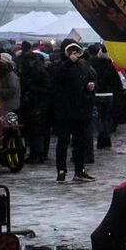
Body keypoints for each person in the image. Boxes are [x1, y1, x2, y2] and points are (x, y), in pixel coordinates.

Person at [51, 41, 96, 183]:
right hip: (64, 111)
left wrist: (91, 87)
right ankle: (61, 170)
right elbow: (56, 80)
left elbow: (90, 80)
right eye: (71, 51)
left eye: (76, 51)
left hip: (80, 110)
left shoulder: (83, 65)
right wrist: (68, 62)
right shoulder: (60, 66)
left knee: (79, 142)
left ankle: (79, 170)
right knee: (63, 141)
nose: (74, 54)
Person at [17, 48, 52, 162]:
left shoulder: (39, 72)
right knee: (33, 131)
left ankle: (37, 154)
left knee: (36, 131)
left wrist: (31, 88)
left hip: (38, 104)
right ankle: (35, 154)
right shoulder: (31, 71)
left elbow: (47, 88)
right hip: (32, 104)